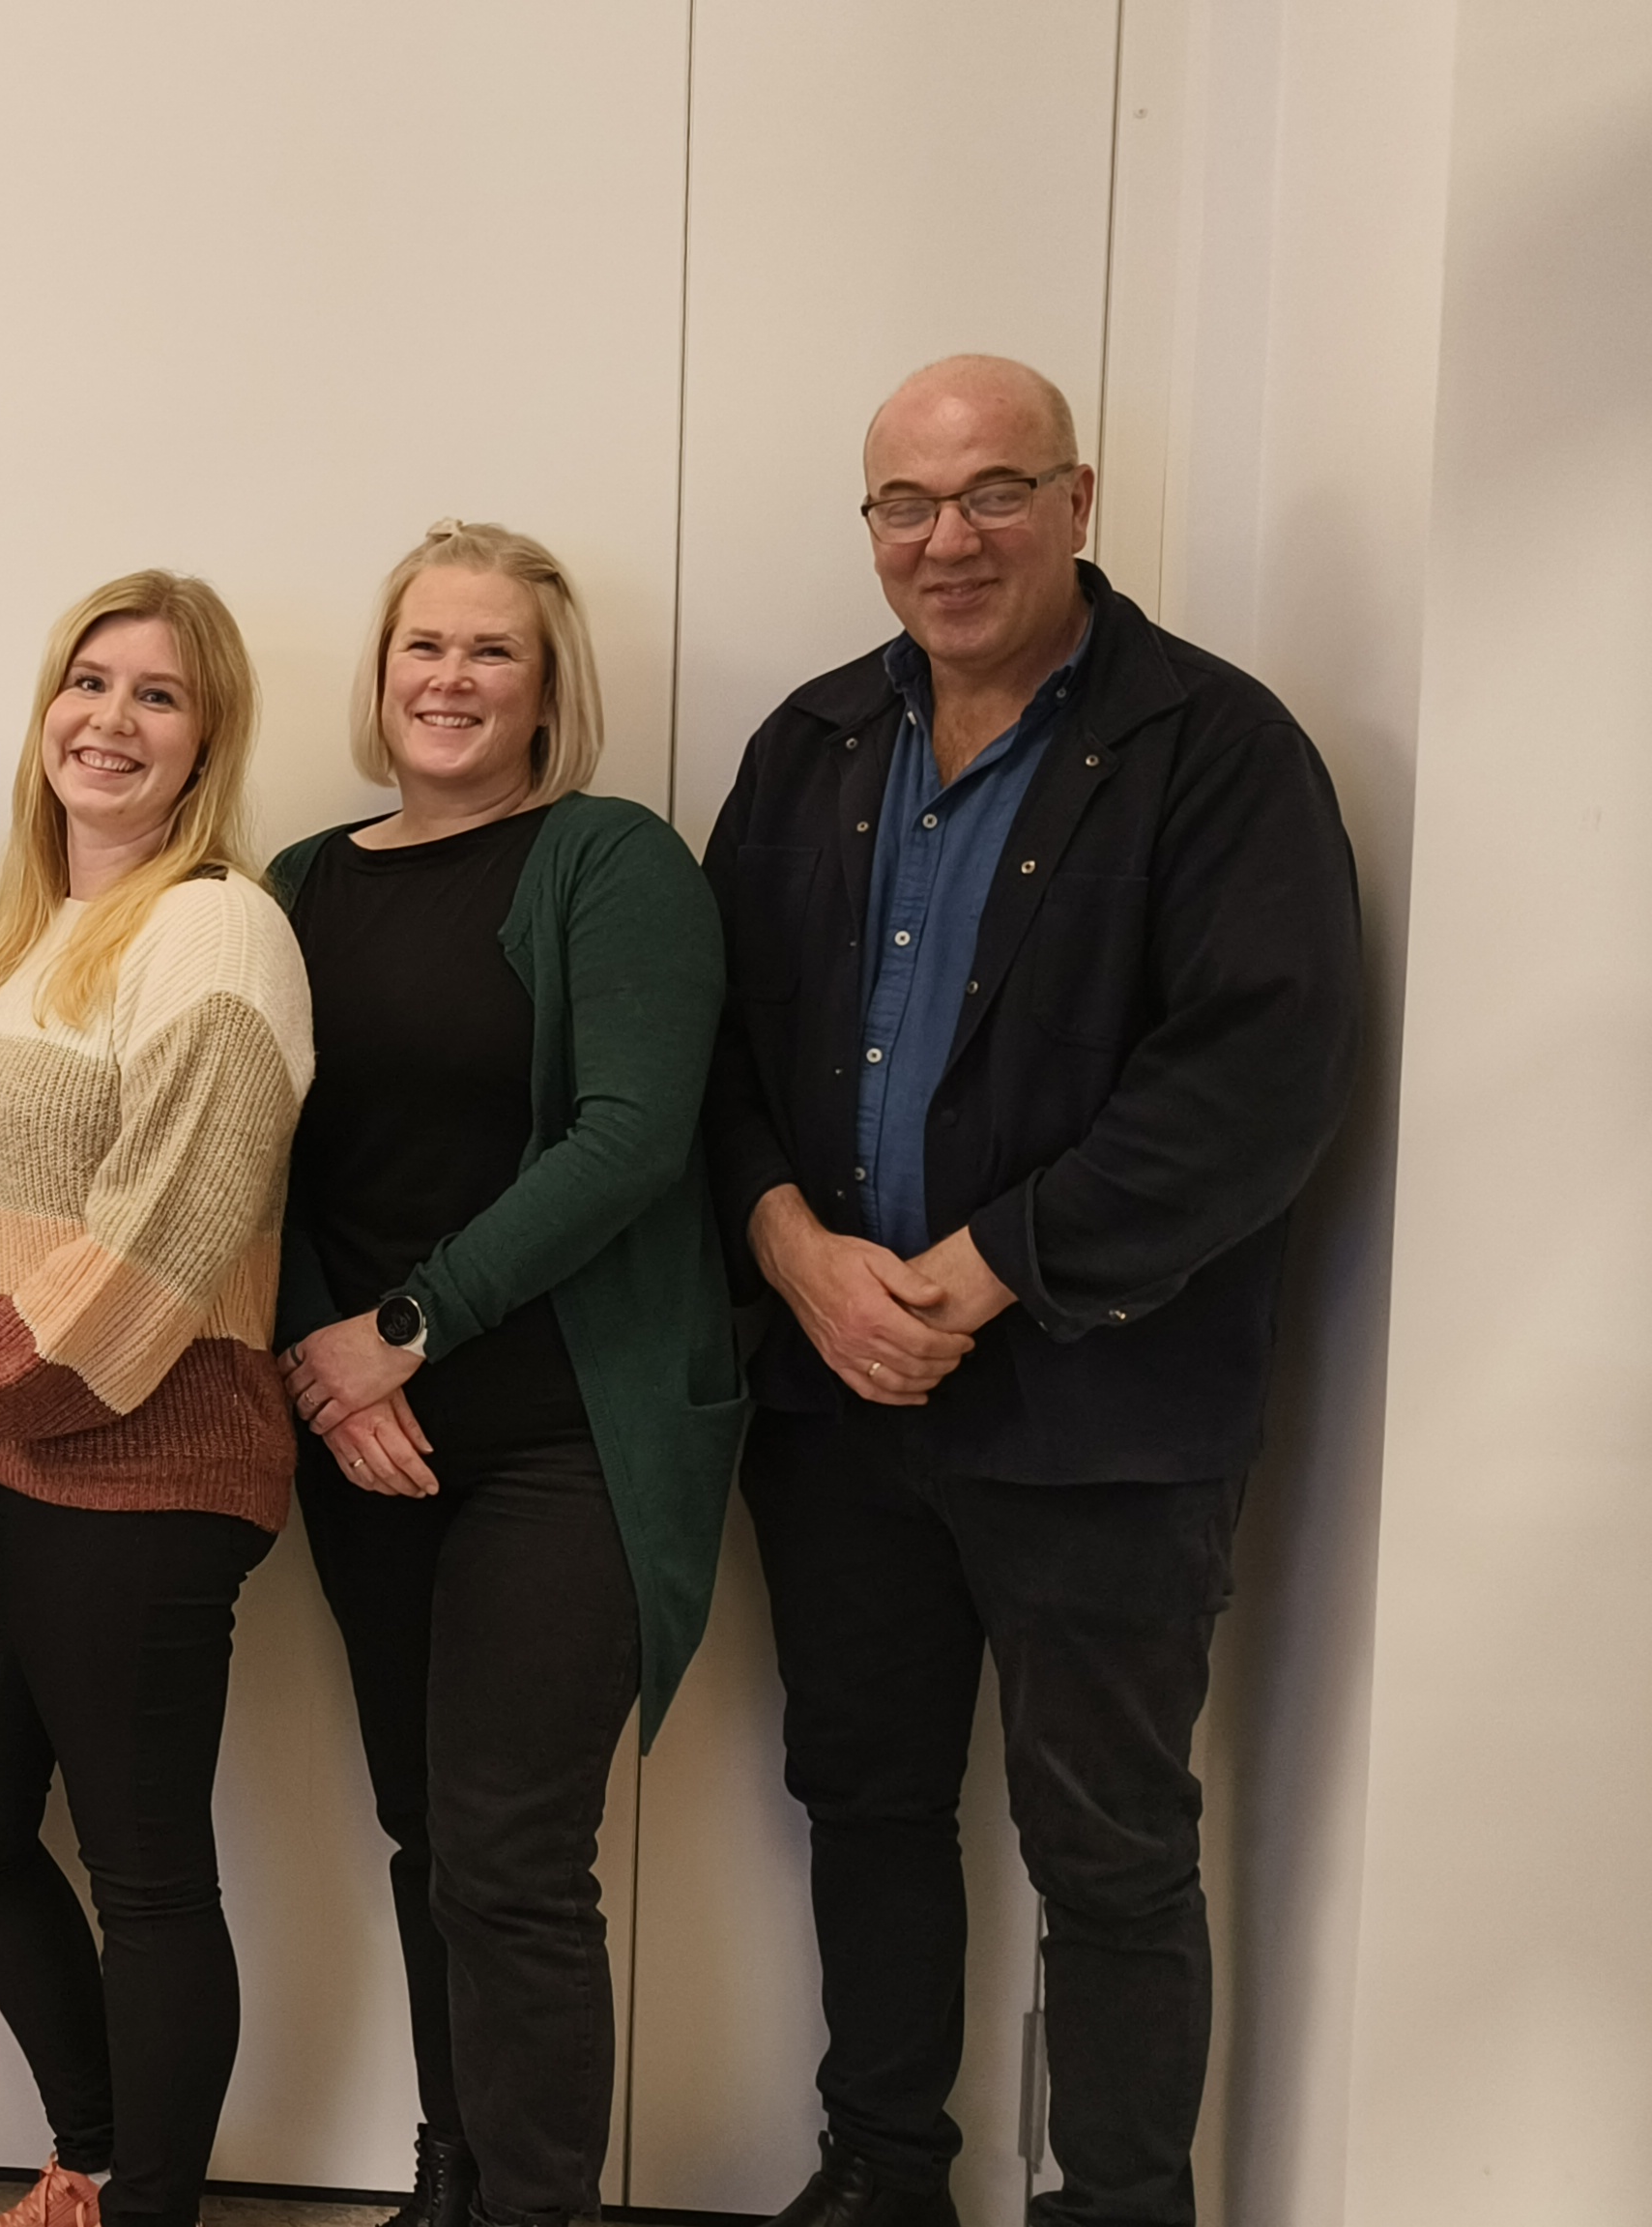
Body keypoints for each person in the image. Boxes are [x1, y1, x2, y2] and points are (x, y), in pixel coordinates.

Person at [702, 357, 1361, 2227]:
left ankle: (1125, 2206)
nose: (946, 541)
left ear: (1080, 499)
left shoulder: (1216, 749)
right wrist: (789, 1246)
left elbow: (1259, 1075)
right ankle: (883, 2176)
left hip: (1102, 1415)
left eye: (993, 494)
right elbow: (720, 1049)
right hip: (839, 1403)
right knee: (869, 1805)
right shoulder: (814, 745)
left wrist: (982, 1272)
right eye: (905, 506)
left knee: (1112, 1848)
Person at [266, 523, 741, 2227]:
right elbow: (266, 1158)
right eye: (423, 649)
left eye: (492, 654)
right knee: (423, 1834)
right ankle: (448, 2177)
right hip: (363, 1427)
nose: (450, 682)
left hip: (565, 1435)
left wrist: (404, 1327)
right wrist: (340, 1369)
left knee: (513, 1855)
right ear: (379, 675)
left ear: (550, 691)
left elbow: (629, 1141)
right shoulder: (302, 881)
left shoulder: (612, 860)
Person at [0, 571, 313, 2227]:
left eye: (158, 694)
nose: (110, 721)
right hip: (1, 1450)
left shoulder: (219, 923)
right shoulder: (25, 934)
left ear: (207, 739)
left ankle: (145, 2207)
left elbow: (177, 1215)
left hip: (146, 1459)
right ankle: (86, 2154)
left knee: (144, 1872)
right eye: (88, 681)